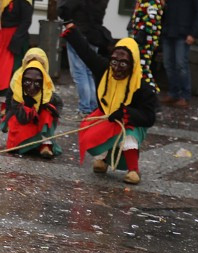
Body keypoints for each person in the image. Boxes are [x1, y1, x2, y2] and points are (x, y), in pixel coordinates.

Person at [64, 25, 156, 185]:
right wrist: (72, 32)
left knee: (128, 137)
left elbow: (149, 117)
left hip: (129, 123)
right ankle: (102, 158)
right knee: (91, 131)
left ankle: (133, 169)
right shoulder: (104, 69)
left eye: (123, 64)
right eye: (114, 61)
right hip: (106, 115)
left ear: (132, 64)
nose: (116, 68)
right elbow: (87, 53)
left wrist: (127, 113)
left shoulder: (142, 87)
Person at [56, 0, 113, 115]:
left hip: (78, 35)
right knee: (89, 70)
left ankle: (85, 109)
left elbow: (64, 11)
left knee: (79, 72)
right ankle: (93, 106)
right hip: (95, 35)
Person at [1, 48, 62, 158]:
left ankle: (45, 145)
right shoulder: (17, 83)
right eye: (28, 81)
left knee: (47, 113)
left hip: (37, 122)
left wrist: (53, 110)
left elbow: (58, 104)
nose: (32, 87)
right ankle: (24, 145)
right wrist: (27, 106)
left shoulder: (47, 87)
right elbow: (21, 117)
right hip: (21, 120)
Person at [161, 0, 198, 109]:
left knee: (181, 65)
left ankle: (184, 95)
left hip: (184, 33)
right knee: (168, 64)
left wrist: (193, 33)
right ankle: (173, 92)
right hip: (169, 32)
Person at [127, 0, 165, 90]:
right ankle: (146, 96)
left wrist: (143, 33)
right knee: (140, 67)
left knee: (143, 67)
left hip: (146, 39)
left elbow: (152, 16)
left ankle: (152, 96)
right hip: (141, 36)